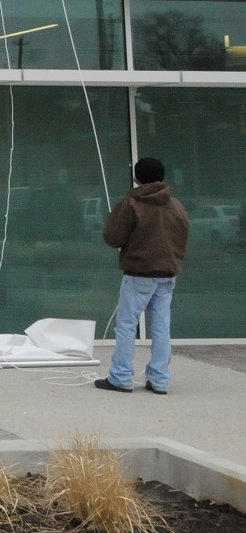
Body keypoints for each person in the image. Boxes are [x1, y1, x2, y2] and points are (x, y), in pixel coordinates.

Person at [97, 157, 190, 395]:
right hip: (168, 273)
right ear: (161, 176)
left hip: (139, 272)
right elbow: (183, 235)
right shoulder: (176, 205)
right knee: (161, 327)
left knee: (127, 326)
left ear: (137, 177)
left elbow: (113, 237)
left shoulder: (131, 203)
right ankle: (159, 380)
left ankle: (121, 377)